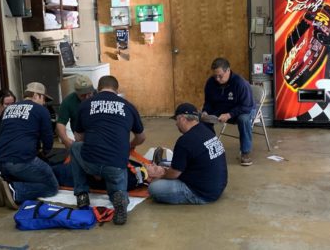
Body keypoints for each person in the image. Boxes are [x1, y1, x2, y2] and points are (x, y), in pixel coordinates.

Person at [70, 75, 146, 225]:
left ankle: (82, 195)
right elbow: (141, 137)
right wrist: (129, 146)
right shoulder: (128, 106)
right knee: (116, 185)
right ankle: (119, 196)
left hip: (91, 160)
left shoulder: (86, 105)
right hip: (116, 163)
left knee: (75, 147)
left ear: (98, 89)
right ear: (117, 90)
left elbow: (78, 137)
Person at [0, 82, 59, 209]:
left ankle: (8, 183)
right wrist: (44, 153)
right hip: (21, 161)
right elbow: (48, 140)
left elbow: (2, 134)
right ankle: (14, 191)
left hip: (1, 161)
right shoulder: (41, 110)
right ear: (36, 95)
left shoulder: (8, 109)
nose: (45, 102)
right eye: (44, 98)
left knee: (33, 175)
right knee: (52, 186)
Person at [148, 103, 228, 204]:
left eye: (176, 120)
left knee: (154, 187)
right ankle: (162, 165)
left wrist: (161, 174)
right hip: (217, 186)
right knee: (169, 163)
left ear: (182, 119)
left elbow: (174, 174)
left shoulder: (185, 141)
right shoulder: (207, 131)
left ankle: (160, 169)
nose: (176, 124)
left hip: (201, 193)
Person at [202, 57, 255, 166]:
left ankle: (245, 153)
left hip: (242, 110)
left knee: (244, 119)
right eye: (215, 75)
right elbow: (208, 102)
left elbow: (246, 106)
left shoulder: (240, 83)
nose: (217, 79)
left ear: (228, 70)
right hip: (222, 109)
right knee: (203, 119)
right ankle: (212, 149)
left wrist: (229, 114)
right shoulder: (211, 83)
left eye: (220, 76)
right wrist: (205, 111)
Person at [55, 75, 96, 149]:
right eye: (83, 95)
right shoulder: (69, 101)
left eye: (89, 93)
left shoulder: (100, 96)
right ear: (76, 92)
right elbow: (60, 124)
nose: (87, 97)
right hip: (81, 139)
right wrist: (66, 140)